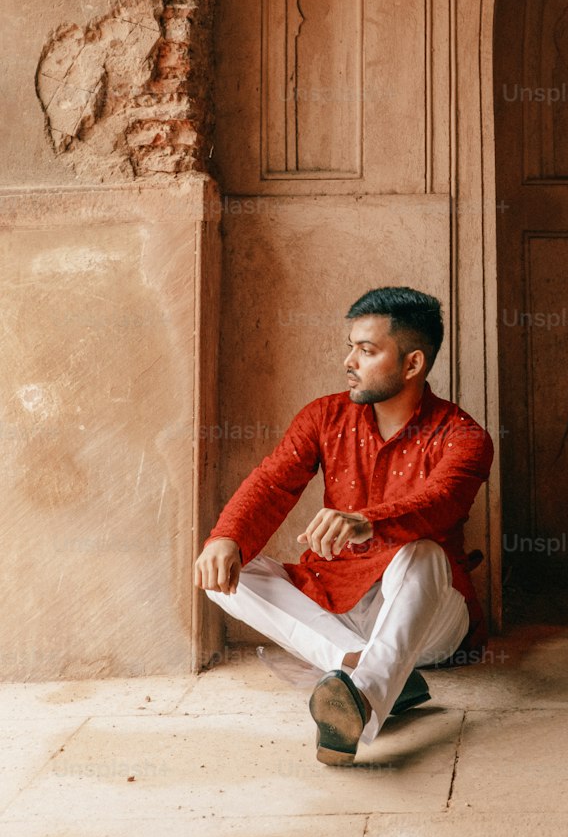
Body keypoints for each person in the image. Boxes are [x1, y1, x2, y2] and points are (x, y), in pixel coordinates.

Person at [193, 285, 494, 766]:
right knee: (223, 574)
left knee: (424, 553)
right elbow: (273, 483)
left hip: (428, 617)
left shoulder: (464, 437)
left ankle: (366, 695)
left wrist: (365, 522)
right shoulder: (323, 416)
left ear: (412, 364)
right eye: (351, 346)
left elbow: (442, 503)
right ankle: (370, 672)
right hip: (334, 596)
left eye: (367, 350)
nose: (349, 361)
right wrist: (227, 535)